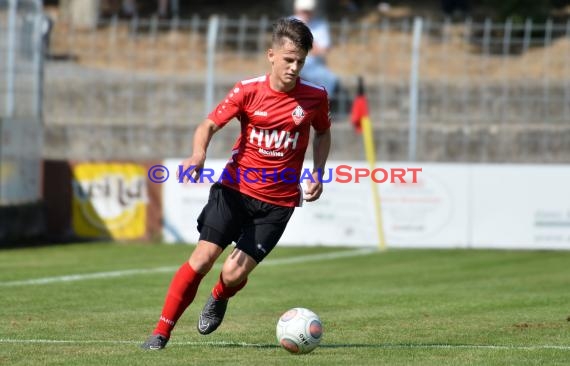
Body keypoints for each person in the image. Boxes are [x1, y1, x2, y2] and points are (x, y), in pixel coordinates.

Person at [141, 17, 332, 350]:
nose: (294, 67)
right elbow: (209, 125)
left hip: (278, 203)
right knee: (202, 259)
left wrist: (318, 171)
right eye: (288, 60)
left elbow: (323, 132)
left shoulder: (315, 97)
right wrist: (198, 154)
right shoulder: (247, 90)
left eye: (300, 61)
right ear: (271, 55)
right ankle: (160, 333)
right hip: (234, 190)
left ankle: (219, 296)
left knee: (231, 274)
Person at [292, 0, 340, 96]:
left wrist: (303, 45)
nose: (306, 14)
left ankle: (323, 104)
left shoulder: (321, 25)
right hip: (294, 62)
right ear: (297, 10)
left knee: (330, 79)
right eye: (303, 11)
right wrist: (312, 46)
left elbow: (324, 49)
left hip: (316, 66)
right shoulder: (289, 22)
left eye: (308, 11)